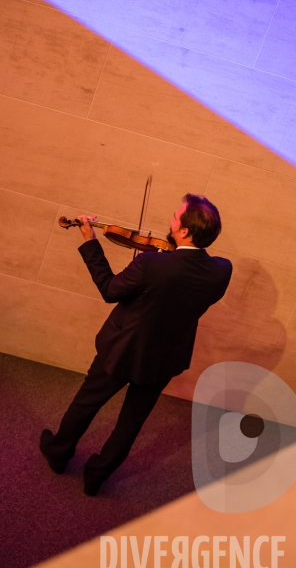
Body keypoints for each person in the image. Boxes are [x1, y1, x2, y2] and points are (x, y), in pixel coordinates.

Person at [39, 194, 232, 496]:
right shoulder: (222, 270)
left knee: (87, 402)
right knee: (131, 422)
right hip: (165, 359)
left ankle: (59, 452)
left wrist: (90, 240)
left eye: (175, 217)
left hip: (122, 350)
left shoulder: (151, 264)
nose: (170, 221)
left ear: (184, 232)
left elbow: (109, 289)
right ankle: (97, 476)